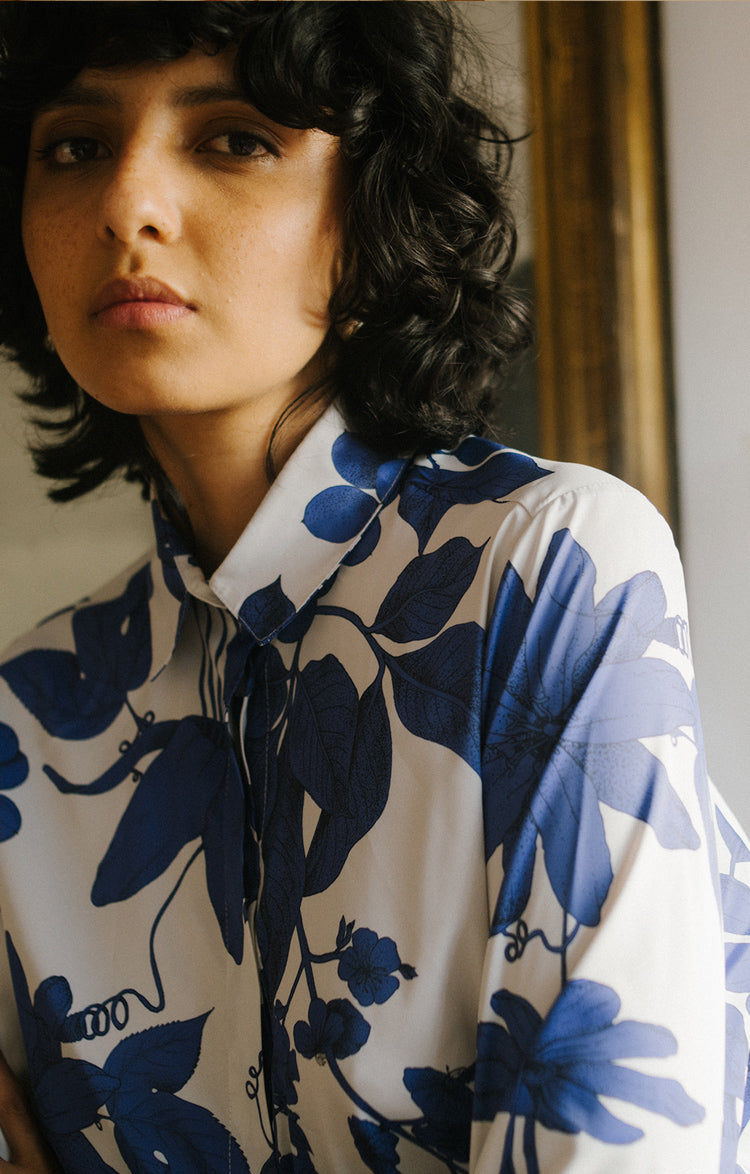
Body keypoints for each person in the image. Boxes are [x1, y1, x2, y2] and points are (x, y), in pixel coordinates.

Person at [0, 3, 747, 1171]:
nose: (126, 202)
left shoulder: (545, 569)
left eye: (235, 138)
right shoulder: (27, 721)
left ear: (372, 218)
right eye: (76, 145)